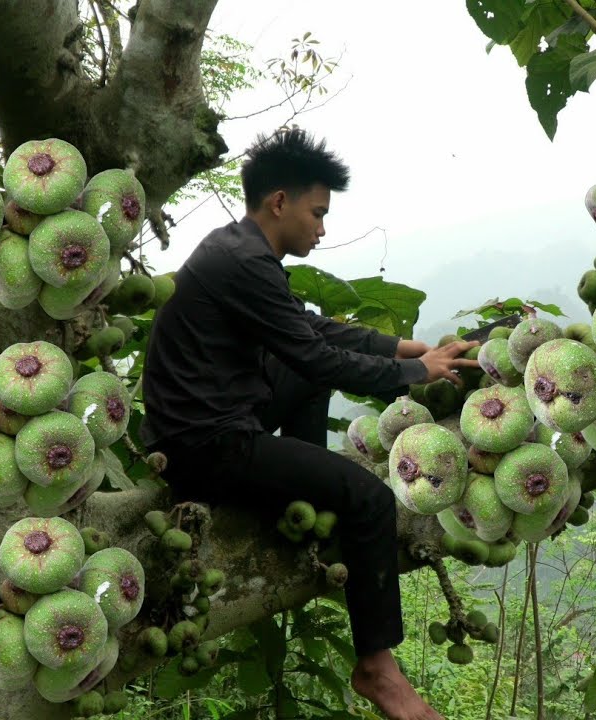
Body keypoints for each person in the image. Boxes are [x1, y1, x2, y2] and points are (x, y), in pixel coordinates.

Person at [140, 127, 478, 720]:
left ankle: (302, 495)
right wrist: (416, 374)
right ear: (279, 203)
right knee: (369, 499)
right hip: (207, 445)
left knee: (311, 376)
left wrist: (404, 348)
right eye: (317, 212)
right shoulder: (244, 262)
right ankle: (378, 667)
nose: (322, 227)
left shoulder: (238, 249)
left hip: (214, 418)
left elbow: (311, 330)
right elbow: (315, 354)